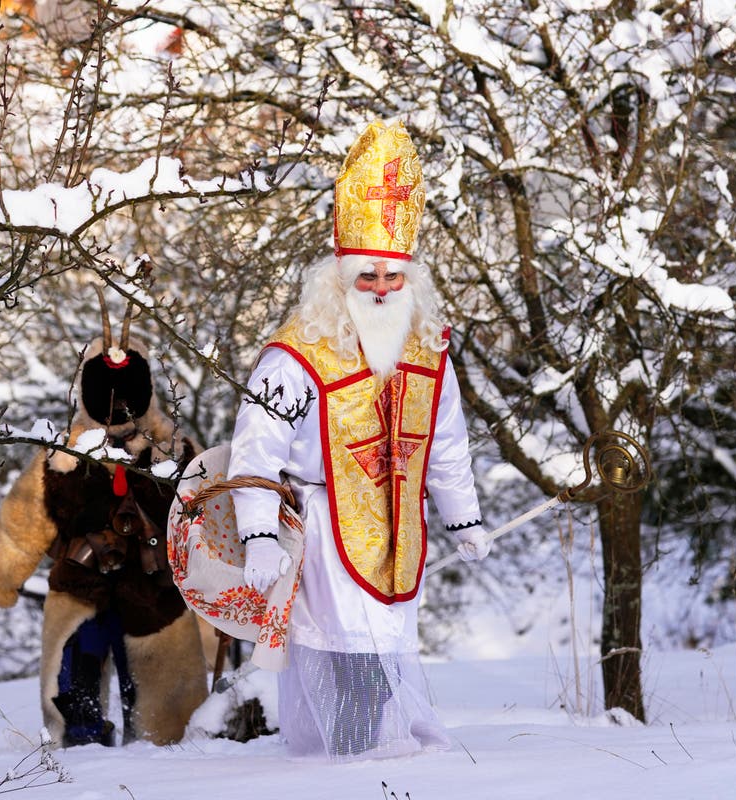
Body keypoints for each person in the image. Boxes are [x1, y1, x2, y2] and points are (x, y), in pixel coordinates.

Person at [226, 120, 490, 759]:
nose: (378, 290)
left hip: (401, 530)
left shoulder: (429, 351)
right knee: (353, 660)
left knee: (385, 650)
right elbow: (254, 448)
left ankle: (366, 759)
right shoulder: (297, 354)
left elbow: (445, 444)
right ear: (339, 277)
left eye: (391, 279)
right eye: (365, 277)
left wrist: (464, 519)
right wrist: (259, 534)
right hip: (320, 528)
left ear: (410, 281)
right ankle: (350, 763)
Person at [0, 319, 209, 747]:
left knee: (168, 727)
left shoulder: (178, 456)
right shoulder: (60, 457)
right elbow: (22, 524)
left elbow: (210, 525)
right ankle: (80, 763)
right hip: (80, 597)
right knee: (76, 709)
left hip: (158, 600)